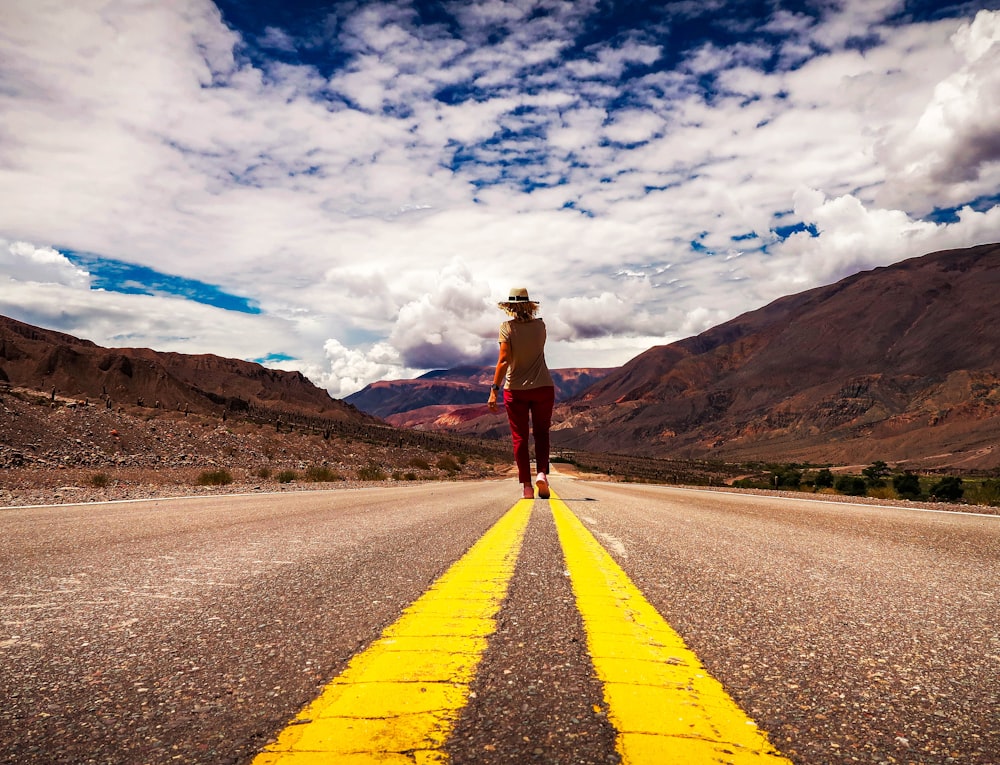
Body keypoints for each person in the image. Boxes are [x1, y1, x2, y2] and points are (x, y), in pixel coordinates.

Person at [487, 287, 555, 499]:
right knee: (542, 433)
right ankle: (542, 473)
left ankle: (527, 486)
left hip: (515, 390)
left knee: (520, 438)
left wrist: (494, 390)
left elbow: (504, 360)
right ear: (530, 305)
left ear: (511, 307)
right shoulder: (541, 326)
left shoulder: (506, 328)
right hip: (543, 386)